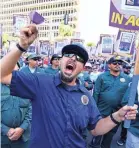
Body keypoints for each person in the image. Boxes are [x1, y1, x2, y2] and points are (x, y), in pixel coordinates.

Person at [0, 24, 138, 148]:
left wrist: (118, 116)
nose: (73, 58)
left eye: (79, 58)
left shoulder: (86, 97)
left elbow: (96, 129)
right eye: (69, 55)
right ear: (61, 61)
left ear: (83, 68)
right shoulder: (39, 82)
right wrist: (21, 46)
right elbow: (3, 75)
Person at [89, 56, 131, 148]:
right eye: (115, 63)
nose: (117, 65)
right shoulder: (102, 77)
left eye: (119, 63)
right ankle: (94, 145)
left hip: (117, 111)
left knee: (110, 134)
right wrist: (93, 110)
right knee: (98, 132)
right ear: (109, 65)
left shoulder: (127, 78)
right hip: (101, 110)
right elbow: (96, 93)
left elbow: (130, 94)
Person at [1, 63, 32, 148]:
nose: (14, 76)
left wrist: (22, 128)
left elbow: (31, 110)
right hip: (2, 139)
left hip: (23, 138)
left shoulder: (26, 88)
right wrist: (6, 130)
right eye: (11, 72)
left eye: (17, 72)